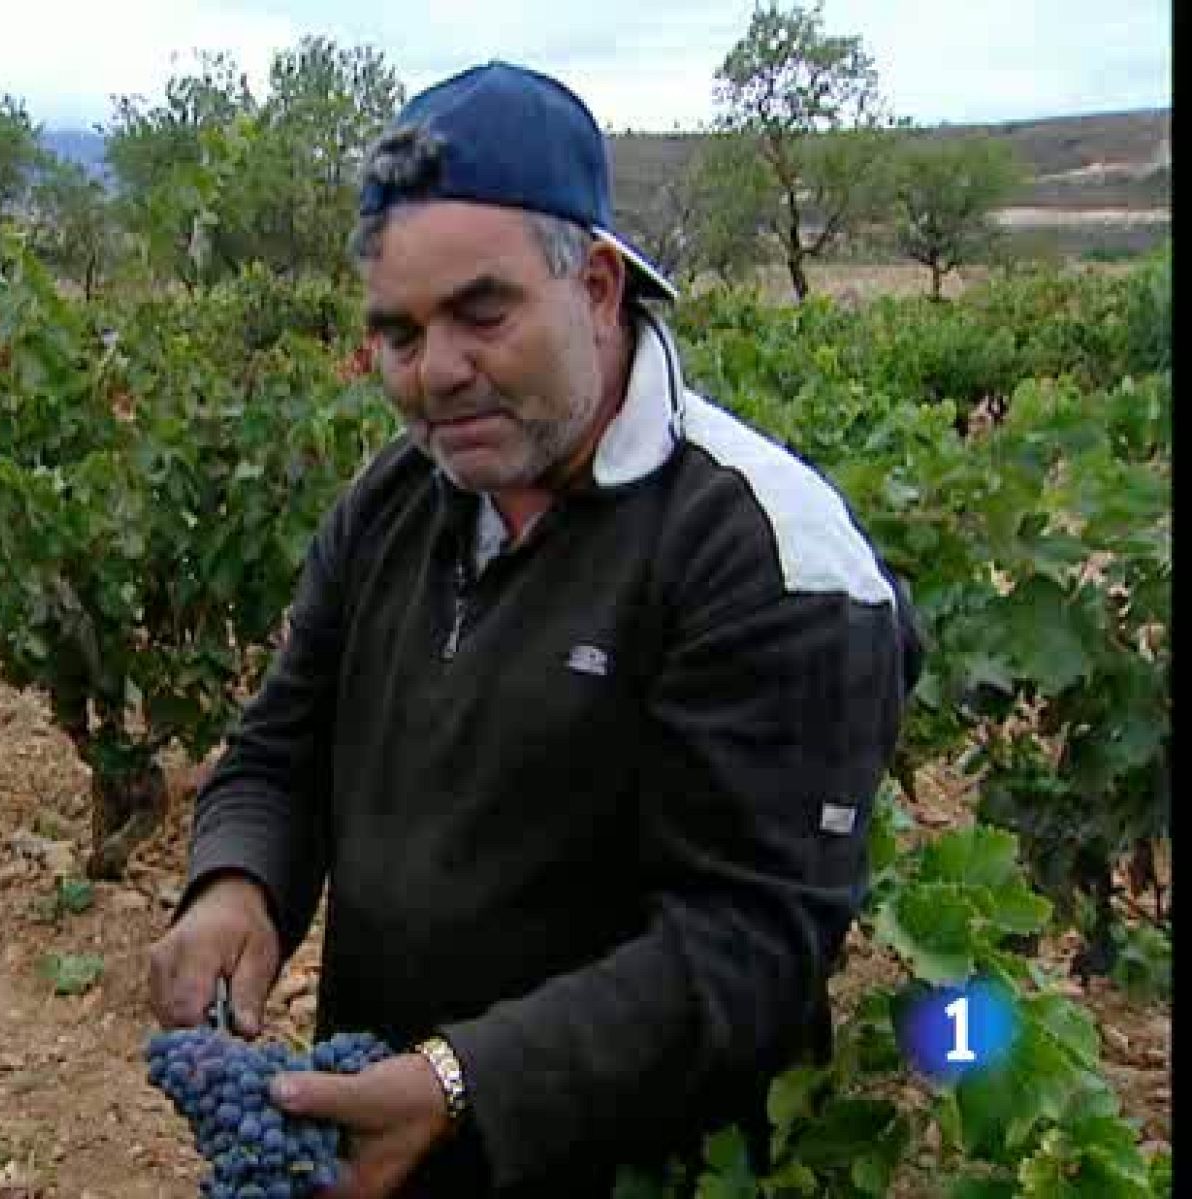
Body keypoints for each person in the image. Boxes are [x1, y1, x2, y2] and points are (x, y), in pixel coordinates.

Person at [146, 60, 923, 1199]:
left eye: (480, 311)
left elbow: (746, 947)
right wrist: (237, 881)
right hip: (385, 1133)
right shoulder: (396, 499)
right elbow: (282, 743)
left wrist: (465, 1081)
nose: (436, 373)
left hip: (634, 1167)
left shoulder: (768, 555)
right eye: (397, 334)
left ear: (598, 286)